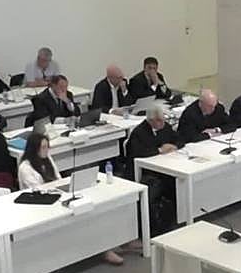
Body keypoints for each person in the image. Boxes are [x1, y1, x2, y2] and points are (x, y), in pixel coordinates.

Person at [18, 133, 124, 264]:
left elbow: (58, 178)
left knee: (88, 209)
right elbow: (38, 190)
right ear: (34, 149)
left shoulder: (47, 158)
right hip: (41, 205)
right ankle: (102, 250)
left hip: (58, 196)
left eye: (47, 147)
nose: (46, 150)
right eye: (43, 148)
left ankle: (105, 246)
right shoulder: (25, 168)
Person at [126, 105, 184, 235]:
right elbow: (137, 152)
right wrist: (159, 150)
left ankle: (178, 217)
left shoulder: (165, 127)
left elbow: (180, 139)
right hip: (145, 172)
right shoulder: (139, 133)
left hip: (166, 166)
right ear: (152, 121)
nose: (163, 123)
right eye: (160, 121)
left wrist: (174, 146)